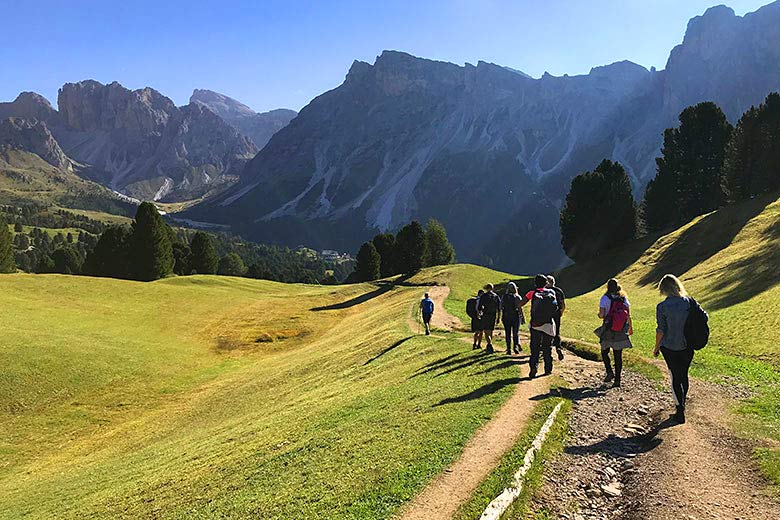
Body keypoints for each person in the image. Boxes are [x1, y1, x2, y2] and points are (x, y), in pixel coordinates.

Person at [654, 274, 694, 423]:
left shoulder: (662, 307)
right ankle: (682, 404)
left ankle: (680, 410)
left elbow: (661, 330)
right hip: (687, 345)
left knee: (674, 377)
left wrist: (656, 347)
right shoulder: (689, 303)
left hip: (669, 346)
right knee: (683, 374)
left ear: (663, 289)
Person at [520, 274, 559, 377]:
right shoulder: (552, 292)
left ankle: (533, 367)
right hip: (548, 324)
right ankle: (548, 369)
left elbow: (520, 304)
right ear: (546, 283)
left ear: (535, 283)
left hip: (535, 324)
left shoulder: (532, 293)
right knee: (547, 347)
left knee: (535, 348)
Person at [597, 278, 633, 387]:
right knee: (618, 355)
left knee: (604, 351)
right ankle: (618, 380)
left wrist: (599, 315)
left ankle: (609, 372)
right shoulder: (623, 298)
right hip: (621, 329)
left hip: (608, 328)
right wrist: (630, 327)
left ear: (607, 287)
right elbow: (628, 315)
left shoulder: (604, 298)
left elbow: (602, 315)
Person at [546, 275, 566, 361]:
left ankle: (547, 350)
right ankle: (558, 347)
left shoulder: (547, 291)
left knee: (547, 332)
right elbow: (563, 304)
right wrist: (561, 312)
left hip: (548, 315)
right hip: (557, 314)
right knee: (556, 331)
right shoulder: (559, 291)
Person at [477, 283, 501, 353]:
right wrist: (498, 317)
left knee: (486, 331)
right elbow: (499, 308)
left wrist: (479, 313)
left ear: (486, 288)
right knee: (490, 330)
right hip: (493, 315)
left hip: (486, 315)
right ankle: (489, 345)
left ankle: (489, 344)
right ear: (492, 288)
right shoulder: (496, 296)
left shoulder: (484, 296)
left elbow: (480, 306)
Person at [501, 282, 524, 355]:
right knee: (515, 333)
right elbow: (520, 308)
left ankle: (508, 349)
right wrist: (522, 317)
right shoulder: (517, 296)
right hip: (515, 316)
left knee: (507, 333)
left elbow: (501, 307)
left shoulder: (504, 297)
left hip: (506, 316)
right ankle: (515, 347)